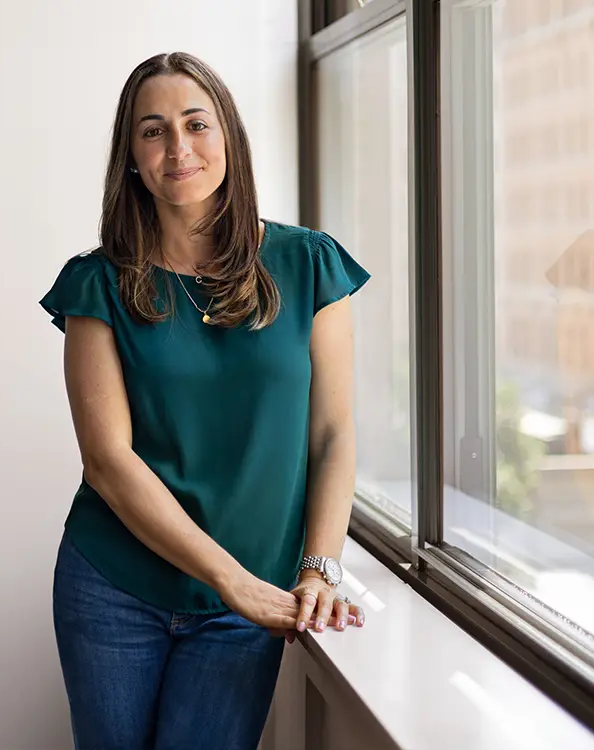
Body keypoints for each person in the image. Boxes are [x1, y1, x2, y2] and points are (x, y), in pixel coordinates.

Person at [39, 51, 369, 750]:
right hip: (114, 588)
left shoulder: (308, 264)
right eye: (152, 131)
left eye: (197, 123)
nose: (178, 148)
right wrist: (233, 581)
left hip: (247, 598)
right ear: (130, 155)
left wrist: (319, 565)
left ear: (230, 138)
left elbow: (334, 433)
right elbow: (107, 460)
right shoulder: (97, 285)